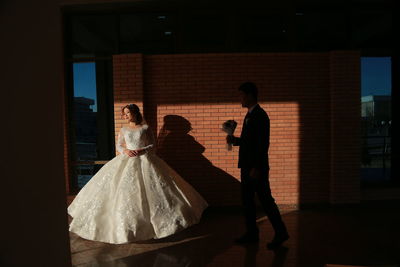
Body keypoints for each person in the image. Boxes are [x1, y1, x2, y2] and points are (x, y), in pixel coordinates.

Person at [68, 104, 208, 244]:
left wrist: (142, 150)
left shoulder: (145, 128)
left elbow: (153, 145)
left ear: (135, 113)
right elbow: (119, 145)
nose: (126, 116)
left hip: (145, 159)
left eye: (128, 113)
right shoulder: (123, 129)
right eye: (124, 114)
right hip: (127, 159)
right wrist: (126, 151)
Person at [226, 82, 289, 250]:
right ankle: (252, 233)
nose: (239, 98)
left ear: (250, 95)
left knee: (266, 200)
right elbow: (250, 143)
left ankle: (281, 232)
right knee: (247, 201)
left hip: (255, 168)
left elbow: (262, 145)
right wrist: (235, 140)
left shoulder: (260, 115)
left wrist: (257, 168)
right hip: (247, 166)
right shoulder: (250, 115)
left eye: (241, 95)